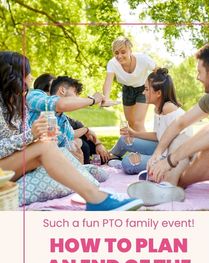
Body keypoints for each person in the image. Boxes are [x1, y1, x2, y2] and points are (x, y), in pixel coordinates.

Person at [0, 51, 143, 211]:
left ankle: (93, 192)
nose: (32, 78)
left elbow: (66, 137)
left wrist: (82, 139)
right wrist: (31, 136)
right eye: (28, 73)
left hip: (12, 166)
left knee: (64, 156)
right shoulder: (34, 96)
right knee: (49, 149)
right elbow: (57, 105)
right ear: (15, 76)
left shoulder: (18, 106)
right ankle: (97, 199)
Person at [146, 42, 209, 189]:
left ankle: (171, 183)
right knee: (183, 138)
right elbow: (180, 123)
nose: (197, 77)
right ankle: (170, 184)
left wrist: (170, 160)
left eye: (199, 72)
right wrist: (158, 152)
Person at [109, 68, 192, 183]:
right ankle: (110, 156)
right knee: (124, 139)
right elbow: (159, 135)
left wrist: (155, 157)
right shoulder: (158, 108)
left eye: (147, 89)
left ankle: (126, 162)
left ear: (158, 93)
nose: (143, 93)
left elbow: (174, 142)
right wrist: (134, 133)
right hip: (161, 148)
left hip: (171, 156)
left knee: (128, 163)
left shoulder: (168, 108)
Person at [50, 76, 110, 163]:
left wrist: (87, 130)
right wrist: (93, 100)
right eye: (75, 93)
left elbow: (69, 135)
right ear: (62, 90)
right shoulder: (42, 103)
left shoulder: (63, 119)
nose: (77, 98)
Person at [102, 36, 156, 131]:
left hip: (143, 89)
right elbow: (108, 81)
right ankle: (134, 145)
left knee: (138, 123)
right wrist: (105, 98)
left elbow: (159, 72)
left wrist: (161, 91)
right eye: (116, 53)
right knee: (130, 124)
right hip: (127, 90)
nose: (119, 56)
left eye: (123, 52)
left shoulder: (143, 59)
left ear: (130, 50)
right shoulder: (112, 63)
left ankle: (146, 146)